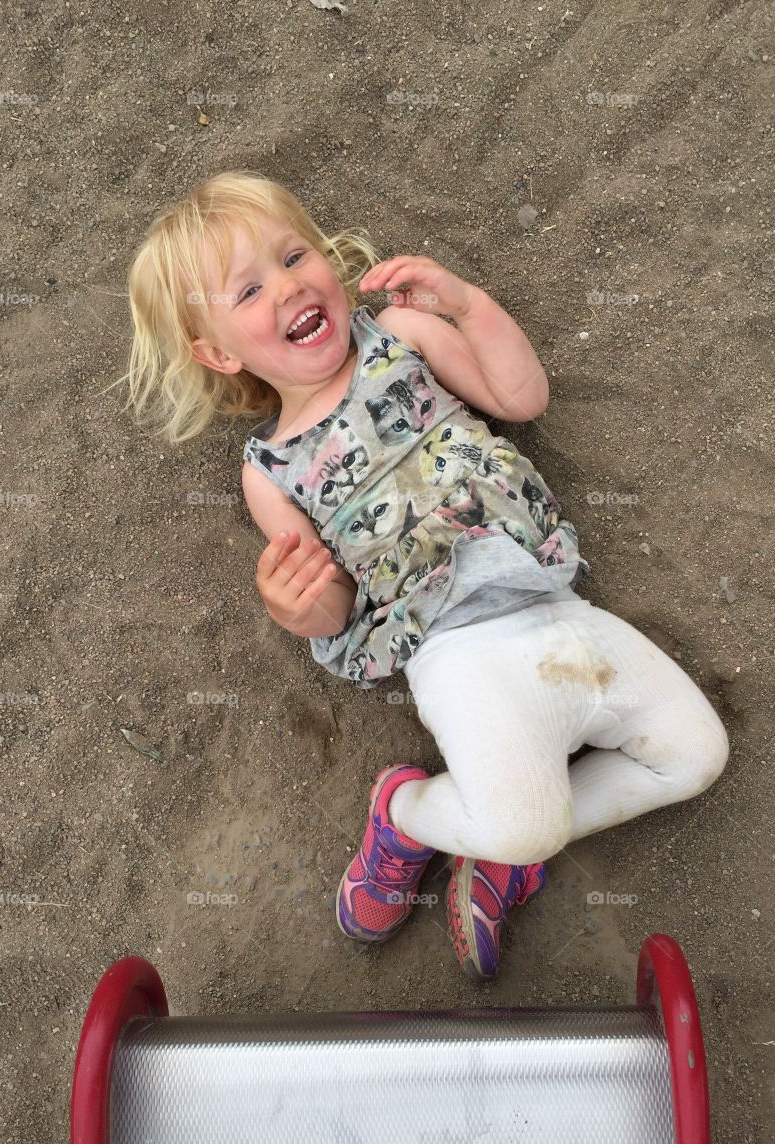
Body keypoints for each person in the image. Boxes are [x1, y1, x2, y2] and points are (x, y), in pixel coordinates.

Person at [123, 170, 730, 980]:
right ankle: (407, 815)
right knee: (524, 826)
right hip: (453, 647)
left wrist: (470, 308)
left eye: (295, 254)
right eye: (248, 290)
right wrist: (299, 607)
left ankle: (487, 836)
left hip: (551, 597)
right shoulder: (270, 471)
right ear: (219, 352)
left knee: (694, 756)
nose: (290, 285)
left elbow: (521, 395)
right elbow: (337, 608)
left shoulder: (401, 334)